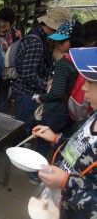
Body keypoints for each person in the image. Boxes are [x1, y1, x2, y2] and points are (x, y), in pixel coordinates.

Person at [32, 47, 97, 219]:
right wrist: (56, 138)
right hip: (57, 202)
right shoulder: (93, 116)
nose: (83, 87)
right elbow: (78, 148)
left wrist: (66, 182)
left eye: (90, 82)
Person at [31, 20, 85, 185]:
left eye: (63, 41)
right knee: (62, 142)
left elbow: (55, 93)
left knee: (43, 142)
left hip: (54, 110)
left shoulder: (64, 63)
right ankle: (57, 172)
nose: (58, 45)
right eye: (57, 41)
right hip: (70, 110)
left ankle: (37, 175)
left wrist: (40, 98)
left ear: (73, 41)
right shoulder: (81, 61)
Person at [11, 6, 71, 144]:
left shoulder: (40, 37)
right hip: (26, 94)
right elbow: (28, 74)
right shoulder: (35, 42)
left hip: (28, 93)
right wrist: (46, 85)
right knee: (22, 128)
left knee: (26, 126)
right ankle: (14, 153)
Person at [0, 7, 22, 113]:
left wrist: (8, 49)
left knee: (2, 94)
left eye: (4, 21)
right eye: (0, 21)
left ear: (10, 21)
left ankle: (1, 117)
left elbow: (20, 51)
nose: (1, 24)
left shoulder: (16, 34)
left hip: (7, 70)